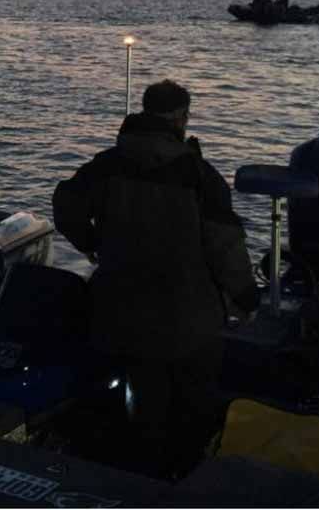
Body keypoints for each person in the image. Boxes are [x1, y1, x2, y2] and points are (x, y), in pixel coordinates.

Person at [52, 79, 258, 480]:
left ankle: (124, 473)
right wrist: (247, 298)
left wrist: (91, 242)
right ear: (182, 118)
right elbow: (226, 250)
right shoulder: (202, 178)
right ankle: (178, 481)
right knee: (188, 418)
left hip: (117, 314)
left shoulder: (108, 164)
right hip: (186, 326)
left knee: (130, 412)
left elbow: (65, 204)